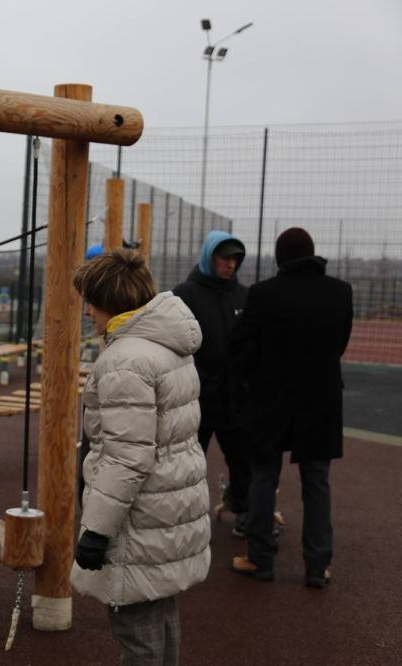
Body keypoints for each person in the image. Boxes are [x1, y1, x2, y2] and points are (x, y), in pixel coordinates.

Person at [71, 249, 210, 666]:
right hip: (168, 503)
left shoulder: (125, 360)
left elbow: (125, 457)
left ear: (108, 300)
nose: (87, 311)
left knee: (136, 629)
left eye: (90, 301)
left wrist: (96, 530)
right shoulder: (166, 345)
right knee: (160, 612)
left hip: (140, 515)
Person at [229, 227, 353, 588]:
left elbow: (240, 345)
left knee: (264, 476)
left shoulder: (262, 294)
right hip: (322, 399)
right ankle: (317, 566)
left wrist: (251, 381)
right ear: (312, 254)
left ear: (280, 258)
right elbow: (340, 342)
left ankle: (260, 559)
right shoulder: (340, 292)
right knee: (317, 481)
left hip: (270, 400)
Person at [173, 230, 252, 535]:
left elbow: (250, 343)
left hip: (234, 398)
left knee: (242, 460)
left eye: (236, 259)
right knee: (189, 463)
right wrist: (202, 380)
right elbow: (178, 344)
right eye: (225, 257)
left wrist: (241, 380)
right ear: (209, 256)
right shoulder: (185, 294)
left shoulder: (243, 296)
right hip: (198, 396)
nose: (231, 264)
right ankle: (182, 517)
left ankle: (244, 512)